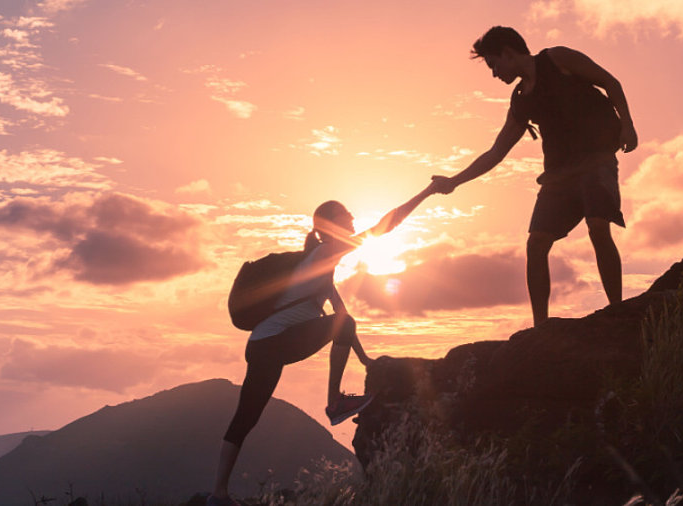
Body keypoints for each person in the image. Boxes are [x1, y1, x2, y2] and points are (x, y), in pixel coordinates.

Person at [208, 181, 438, 506]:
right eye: (347, 215)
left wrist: (364, 358)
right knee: (248, 415)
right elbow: (384, 226)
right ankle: (334, 402)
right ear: (332, 226)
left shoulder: (319, 265)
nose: (353, 217)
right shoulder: (327, 252)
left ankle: (217, 495)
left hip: (263, 344)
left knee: (245, 418)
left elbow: (341, 316)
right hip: (275, 343)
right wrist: (426, 193)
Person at [431, 26, 638, 326]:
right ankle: (540, 327)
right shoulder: (520, 100)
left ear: (508, 53)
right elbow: (496, 152)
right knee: (536, 244)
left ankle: (617, 311)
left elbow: (610, 82)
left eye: (493, 64)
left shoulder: (558, 59)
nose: (494, 74)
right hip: (557, 176)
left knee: (597, 226)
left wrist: (628, 125)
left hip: (596, 159)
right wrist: (453, 181)